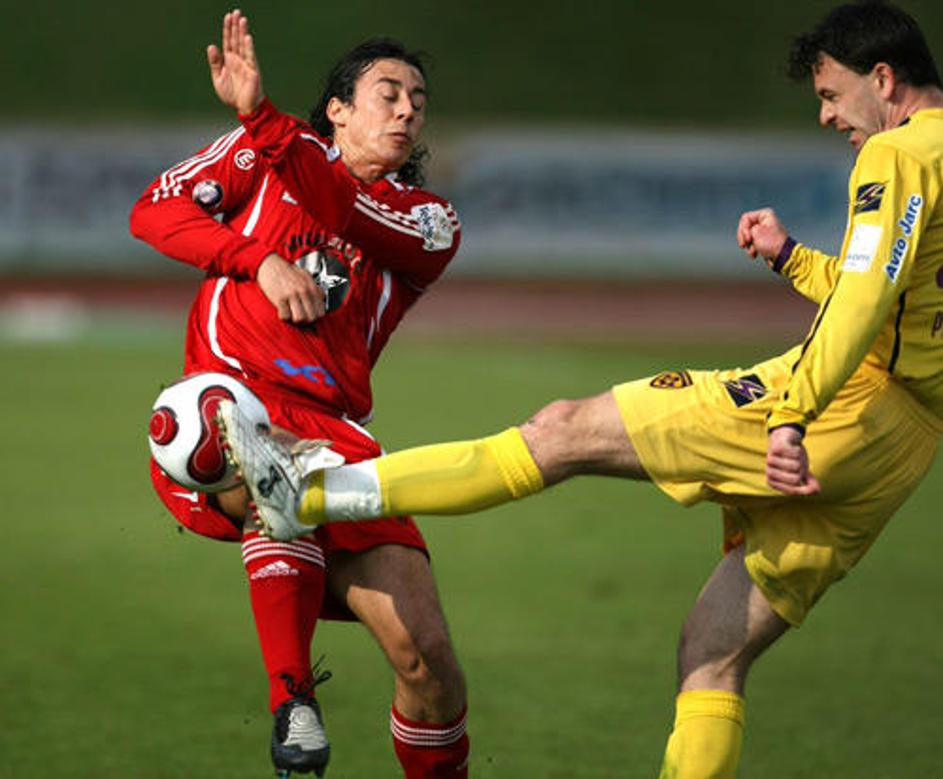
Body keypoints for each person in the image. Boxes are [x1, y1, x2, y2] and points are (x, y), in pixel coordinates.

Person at [219, 2, 943, 776]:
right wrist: (792, 257)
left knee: (561, 431)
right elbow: (896, 292)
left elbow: (862, 302)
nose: (828, 116)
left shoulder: (897, 152)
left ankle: (309, 493)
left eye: (831, 95)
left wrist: (792, 415)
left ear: (882, 78)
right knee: (714, 651)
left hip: (843, 400)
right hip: (904, 443)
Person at [131, 11, 469, 778]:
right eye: (388, 94)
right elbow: (152, 211)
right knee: (262, 463)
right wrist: (255, 258)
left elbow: (337, 204)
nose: (407, 111)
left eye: (418, 101)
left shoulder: (427, 222)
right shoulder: (260, 156)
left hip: (335, 432)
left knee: (427, 663)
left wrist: (262, 117)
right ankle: (293, 700)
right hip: (227, 402)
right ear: (338, 110)